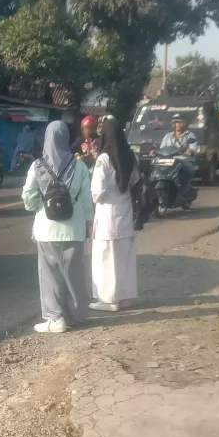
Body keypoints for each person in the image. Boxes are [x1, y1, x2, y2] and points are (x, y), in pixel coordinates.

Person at [22, 120, 93, 333]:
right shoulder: (79, 165)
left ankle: (55, 319)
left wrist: (40, 206)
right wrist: (88, 221)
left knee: (50, 274)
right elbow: (87, 200)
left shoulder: (38, 166)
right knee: (74, 273)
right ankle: (77, 316)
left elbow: (28, 197)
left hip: (47, 228)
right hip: (74, 228)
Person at [89, 116, 139, 312]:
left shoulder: (103, 158)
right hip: (125, 214)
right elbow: (135, 181)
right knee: (124, 258)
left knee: (105, 259)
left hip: (107, 217)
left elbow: (97, 191)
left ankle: (108, 300)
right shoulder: (130, 155)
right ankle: (126, 297)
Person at [159, 113, 197, 196]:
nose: (178, 125)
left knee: (187, 171)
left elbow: (194, 148)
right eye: (177, 123)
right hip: (170, 161)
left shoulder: (190, 135)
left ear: (184, 124)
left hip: (184, 161)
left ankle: (184, 189)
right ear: (174, 124)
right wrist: (155, 151)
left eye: (180, 123)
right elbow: (162, 148)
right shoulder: (168, 136)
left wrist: (190, 150)